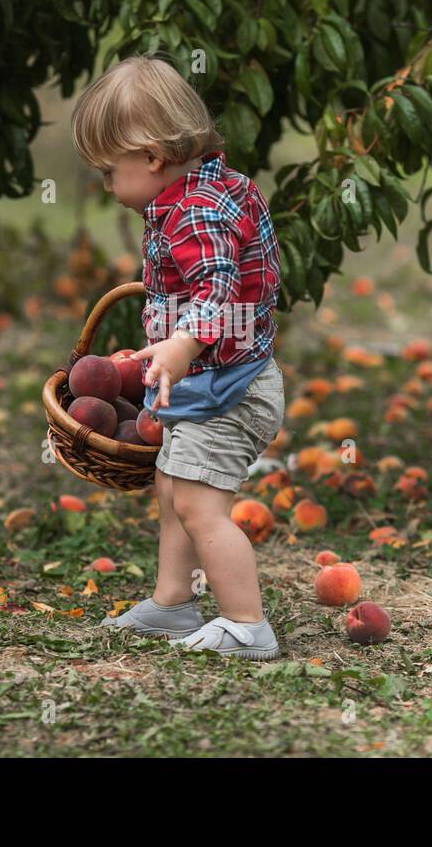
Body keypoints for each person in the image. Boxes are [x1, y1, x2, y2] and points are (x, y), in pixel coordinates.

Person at [71, 55, 285, 659]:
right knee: (170, 485)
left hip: (230, 389)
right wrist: (164, 349)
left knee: (196, 501)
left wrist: (184, 343)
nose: (108, 186)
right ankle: (172, 604)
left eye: (111, 171)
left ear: (151, 156)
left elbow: (215, 286)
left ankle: (247, 624)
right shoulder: (212, 189)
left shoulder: (194, 211)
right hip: (222, 377)